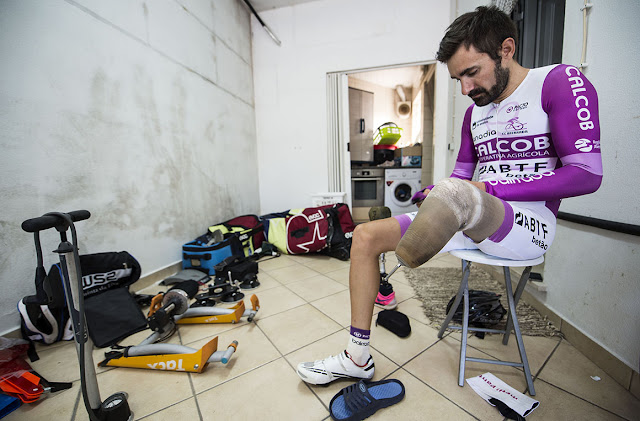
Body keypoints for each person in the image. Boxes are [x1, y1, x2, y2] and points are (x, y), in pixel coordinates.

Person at [297, 6, 602, 385]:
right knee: (364, 236)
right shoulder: (475, 114)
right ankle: (356, 358)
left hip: (528, 226)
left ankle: (411, 253)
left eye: (471, 73)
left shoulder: (558, 82)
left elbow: (587, 174)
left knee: (460, 197)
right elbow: (460, 177)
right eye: (458, 78)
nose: (465, 89)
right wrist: (432, 191)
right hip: (469, 213)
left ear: (506, 49)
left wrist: (487, 189)